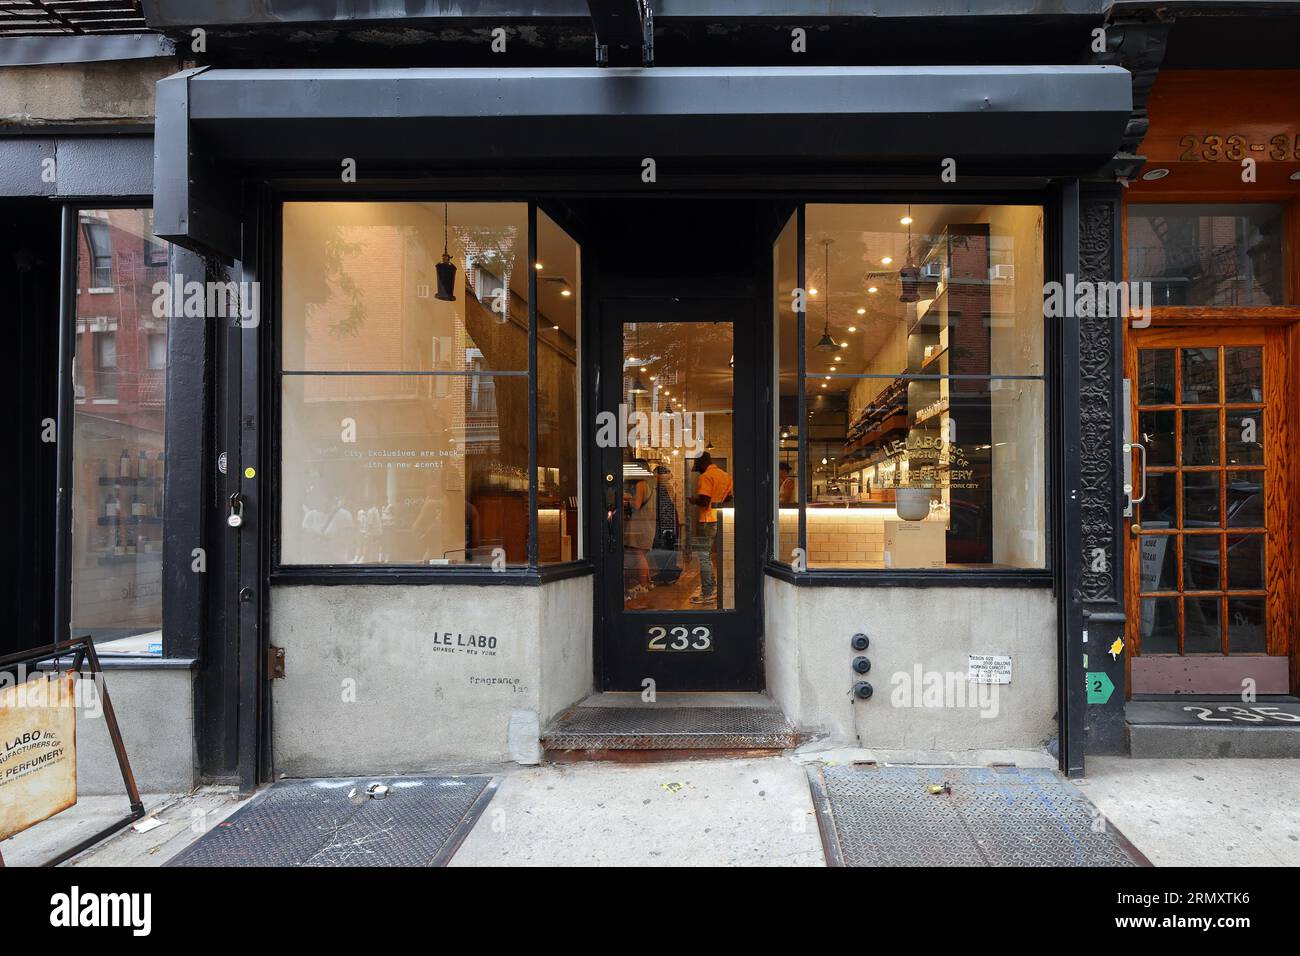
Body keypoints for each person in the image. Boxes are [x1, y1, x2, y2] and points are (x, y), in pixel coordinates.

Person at [689, 451, 733, 605]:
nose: (696, 467)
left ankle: (708, 592)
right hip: (721, 519)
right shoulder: (725, 475)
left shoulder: (705, 477)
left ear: (702, 462)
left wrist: (693, 499)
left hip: (707, 520)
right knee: (711, 555)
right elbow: (729, 498)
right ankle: (712, 588)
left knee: (703, 556)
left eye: (697, 464)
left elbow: (704, 501)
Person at [624, 459, 655, 596]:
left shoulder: (640, 483)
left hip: (641, 524)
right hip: (647, 524)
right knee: (642, 555)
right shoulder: (649, 484)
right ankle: (648, 583)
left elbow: (636, 505)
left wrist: (626, 498)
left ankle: (643, 585)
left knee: (639, 555)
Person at [650, 463, 681, 584]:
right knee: (667, 546)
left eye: (655, 474)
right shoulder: (667, 486)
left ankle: (669, 575)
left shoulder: (663, 487)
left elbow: (665, 505)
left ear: (660, 475)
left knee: (665, 546)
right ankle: (668, 574)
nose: (653, 476)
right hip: (668, 518)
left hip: (666, 519)